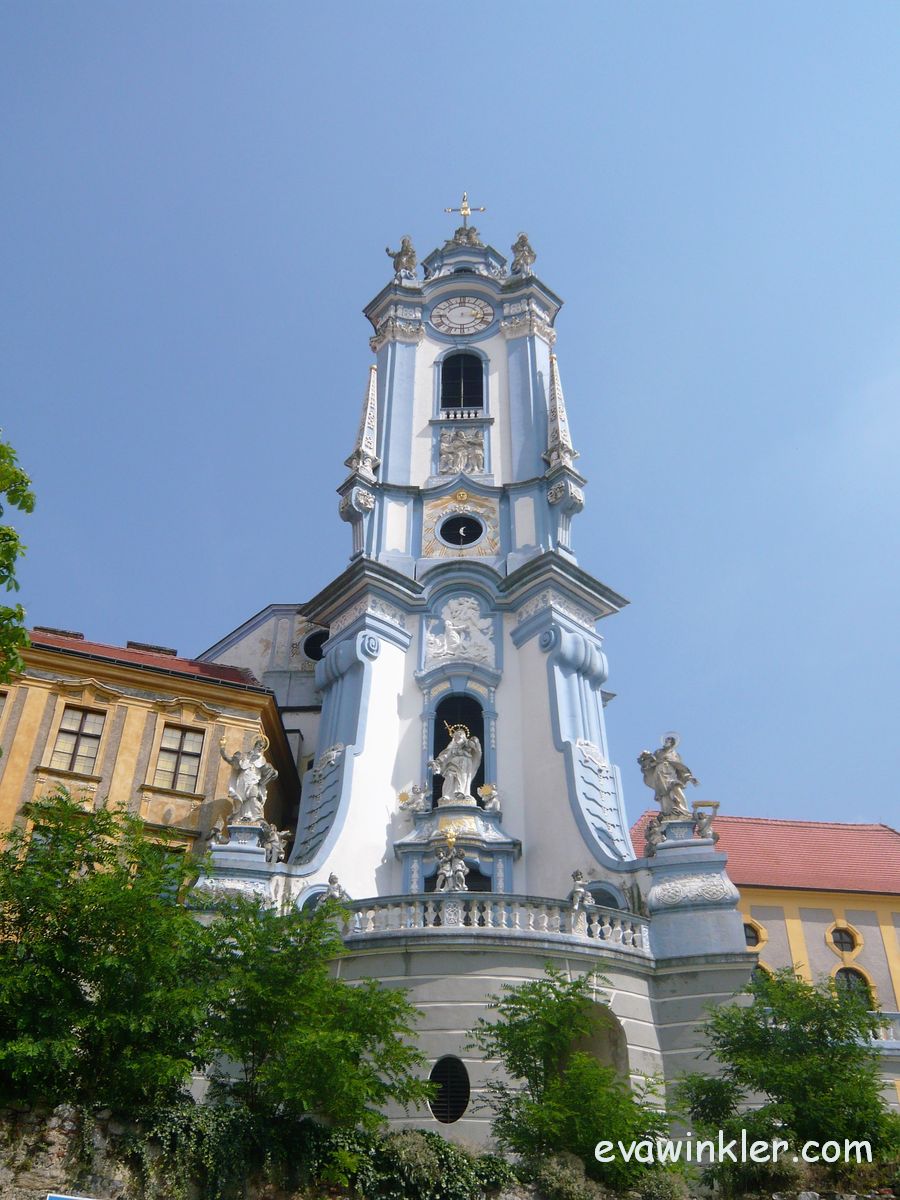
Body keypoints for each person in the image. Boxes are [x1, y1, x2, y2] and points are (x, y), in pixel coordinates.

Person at [637, 734, 697, 819]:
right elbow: (651, 763)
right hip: (659, 775)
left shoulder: (675, 754)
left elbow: (679, 767)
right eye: (665, 741)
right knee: (663, 795)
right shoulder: (658, 752)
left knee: (676, 789)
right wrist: (645, 762)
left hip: (670, 775)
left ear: (672, 743)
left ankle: (683, 810)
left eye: (667, 742)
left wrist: (689, 777)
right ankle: (667, 812)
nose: (665, 743)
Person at [429, 725, 482, 804]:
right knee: (449, 775)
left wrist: (474, 742)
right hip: (453, 763)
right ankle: (447, 795)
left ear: (464, 735)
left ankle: (462, 793)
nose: (458, 735)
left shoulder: (467, 743)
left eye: (460, 734)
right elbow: (446, 754)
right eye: (456, 734)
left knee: (463, 778)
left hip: (465, 763)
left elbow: (475, 747)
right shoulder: (452, 745)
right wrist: (437, 762)